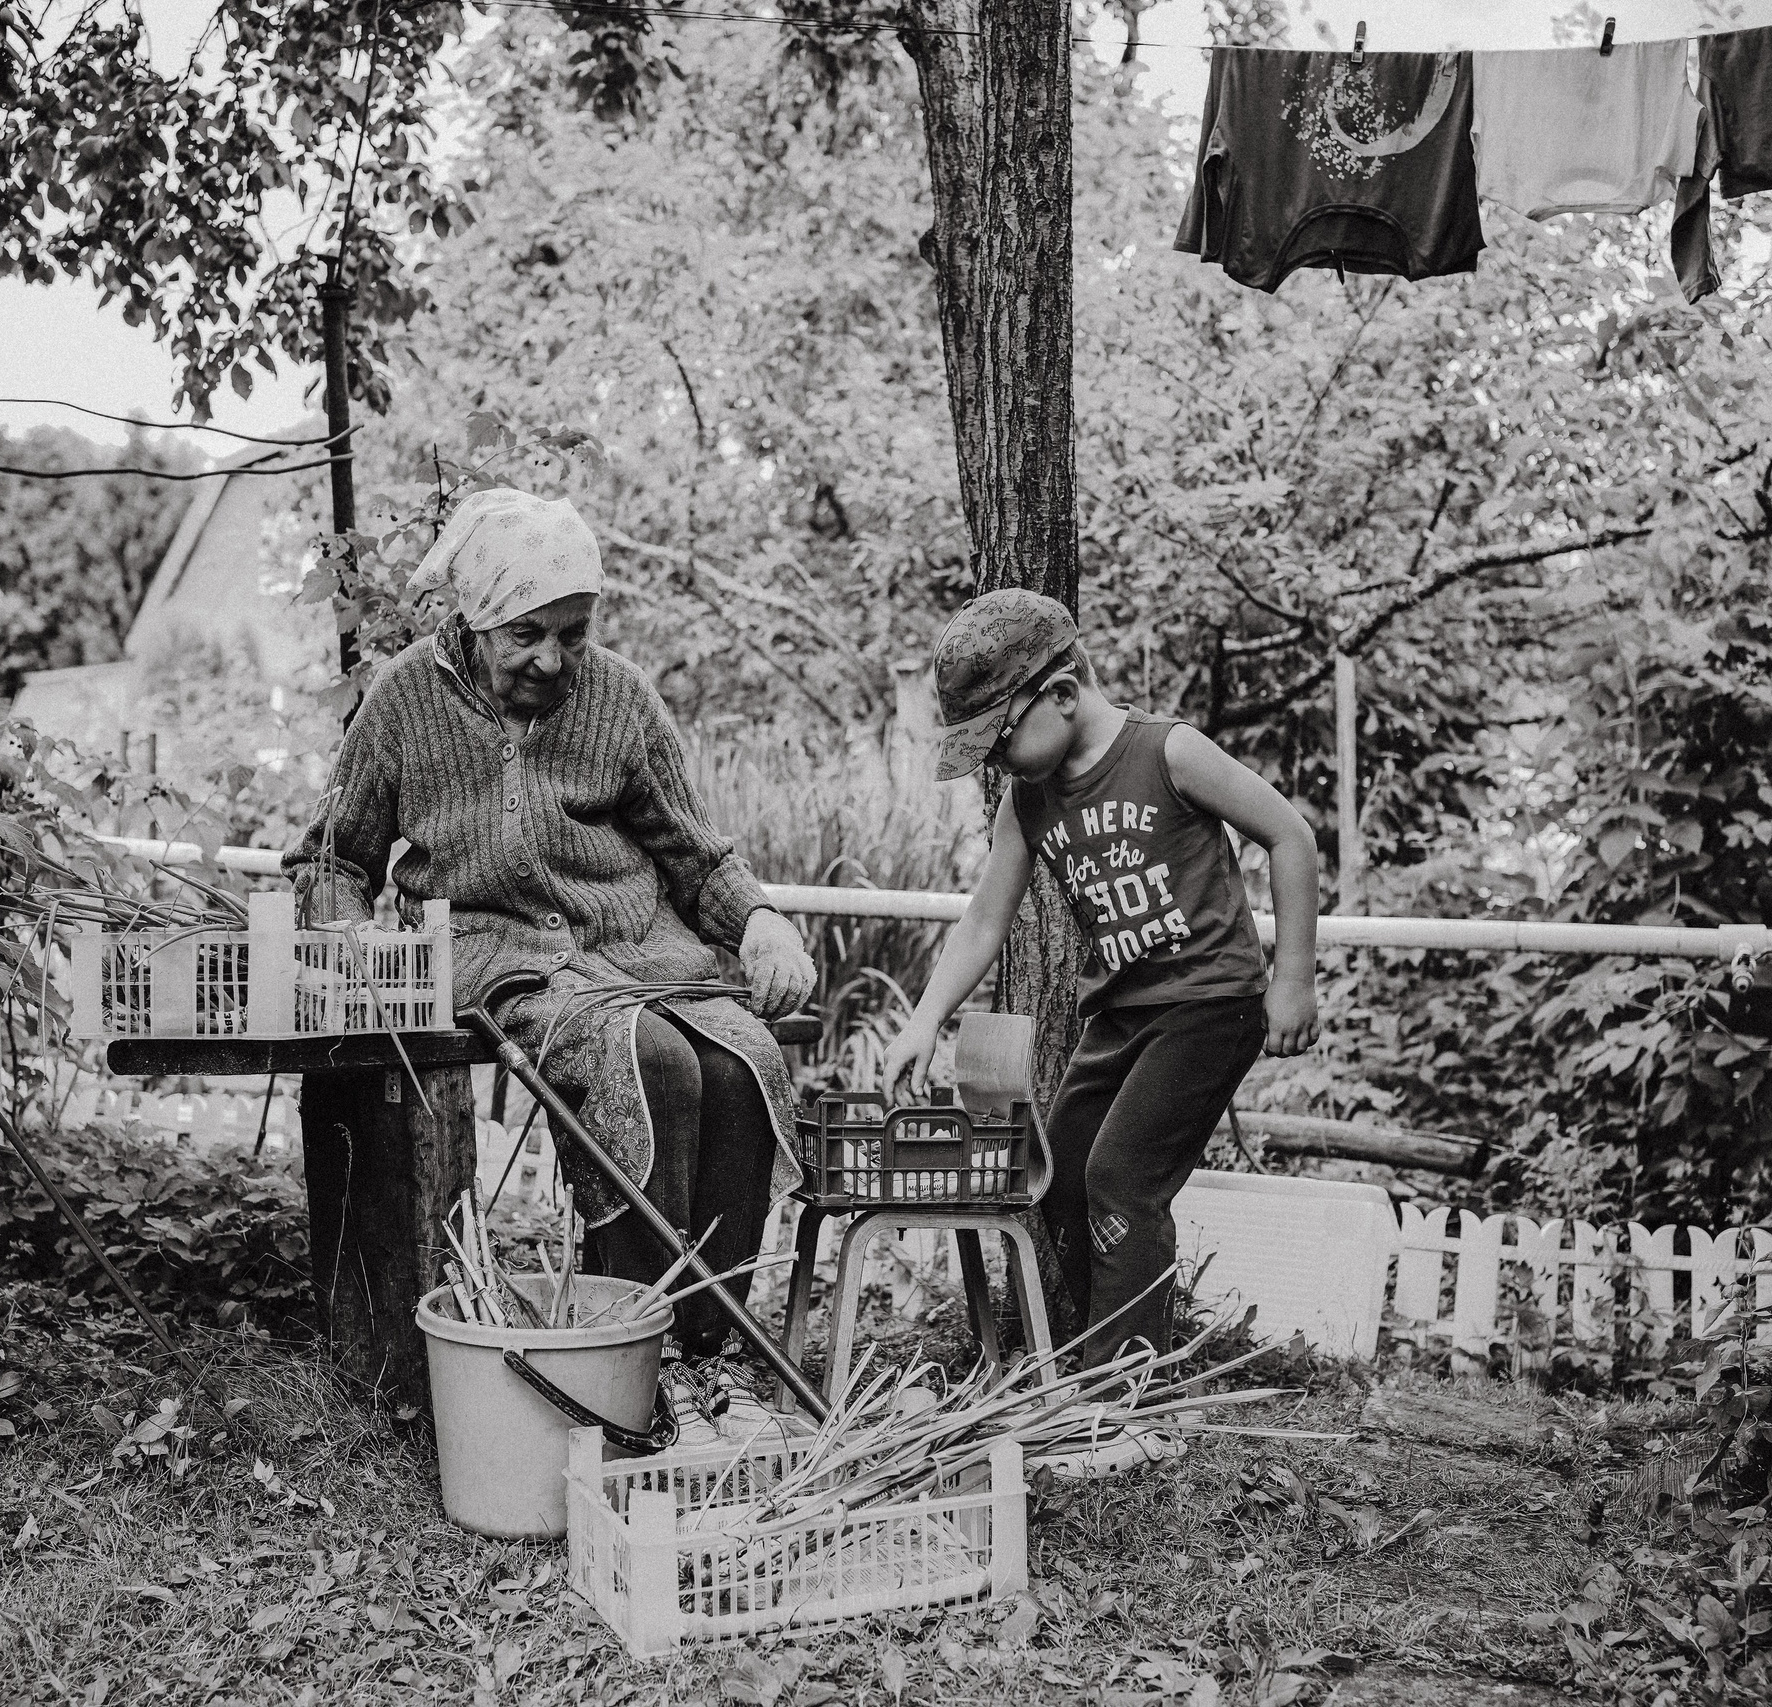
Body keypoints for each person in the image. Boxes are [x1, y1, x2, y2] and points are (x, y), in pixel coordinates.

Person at [285, 486, 818, 1358]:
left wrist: (760, 921)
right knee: (651, 1062)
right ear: (475, 621)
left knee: (742, 1067)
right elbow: (334, 856)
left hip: (642, 953)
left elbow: (695, 853)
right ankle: (629, 1347)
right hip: (501, 960)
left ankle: (706, 1352)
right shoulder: (402, 702)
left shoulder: (621, 697)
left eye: (572, 633)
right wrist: (344, 939)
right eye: (525, 636)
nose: (552, 659)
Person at [882, 589, 1321, 1368]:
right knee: (1062, 1180)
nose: (995, 763)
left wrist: (1291, 980)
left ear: (1061, 693)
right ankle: (1109, 1348)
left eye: (1000, 740)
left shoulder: (1169, 753)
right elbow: (986, 919)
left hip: (1210, 1005)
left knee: (1122, 1176)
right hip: (1120, 1015)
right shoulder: (1028, 800)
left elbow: (1290, 834)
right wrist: (925, 1019)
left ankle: (1122, 1392)